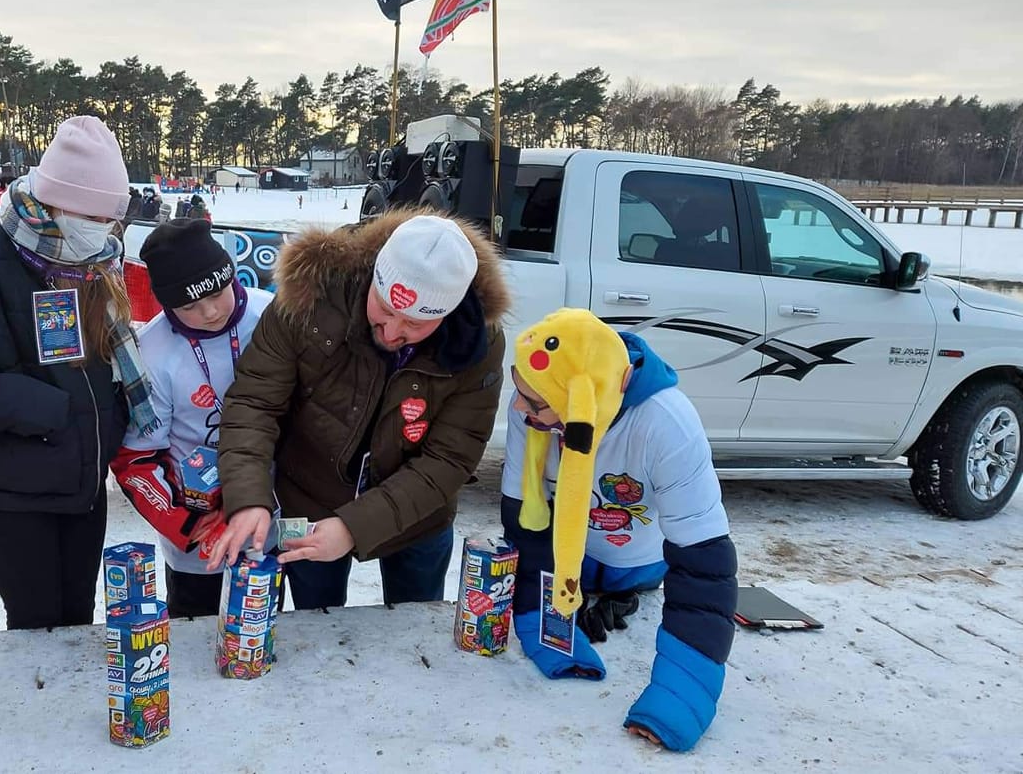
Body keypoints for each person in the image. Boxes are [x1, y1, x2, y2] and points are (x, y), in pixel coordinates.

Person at [0, 116, 155, 630]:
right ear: (54, 202)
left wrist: (109, 420)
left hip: (80, 480)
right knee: (36, 623)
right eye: (90, 215)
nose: (103, 230)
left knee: (76, 618)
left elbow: (103, 360)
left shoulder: (91, 260)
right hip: (9, 487)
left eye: (109, 218)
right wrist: (49, 409)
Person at [210, 211, 509, 609]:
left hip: (417, 515)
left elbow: (450, 458)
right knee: (317, 627)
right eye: (383, 309)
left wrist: (354, 527)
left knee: (412, 630)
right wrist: (248, 496)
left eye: (416, 324)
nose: (391, 332)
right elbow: (254, 400)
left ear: (449, 313)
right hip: (309, 502)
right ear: (372, 276)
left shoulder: (479, 345)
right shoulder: (311, 297)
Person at [501, 308, 737, 752]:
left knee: (639, 578)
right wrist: (542, 622)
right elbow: (526, 522)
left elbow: (705, 566)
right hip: (569, 561)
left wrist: (679, 697)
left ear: (581, 400)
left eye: (534, 402)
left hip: (639, 566)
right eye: (519, 391)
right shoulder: (528, 411)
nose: (518, 408)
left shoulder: (668, 424)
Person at [111, 219, 274, 617]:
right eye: (189, 306)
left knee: (261, 627)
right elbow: (136, 460)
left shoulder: (270, 315)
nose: (210, 311)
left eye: (217, 293)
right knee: (191, 626)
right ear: (168, 306)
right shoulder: (152, 349)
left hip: (271, 511)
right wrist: (192, 525)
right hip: (196, 518)